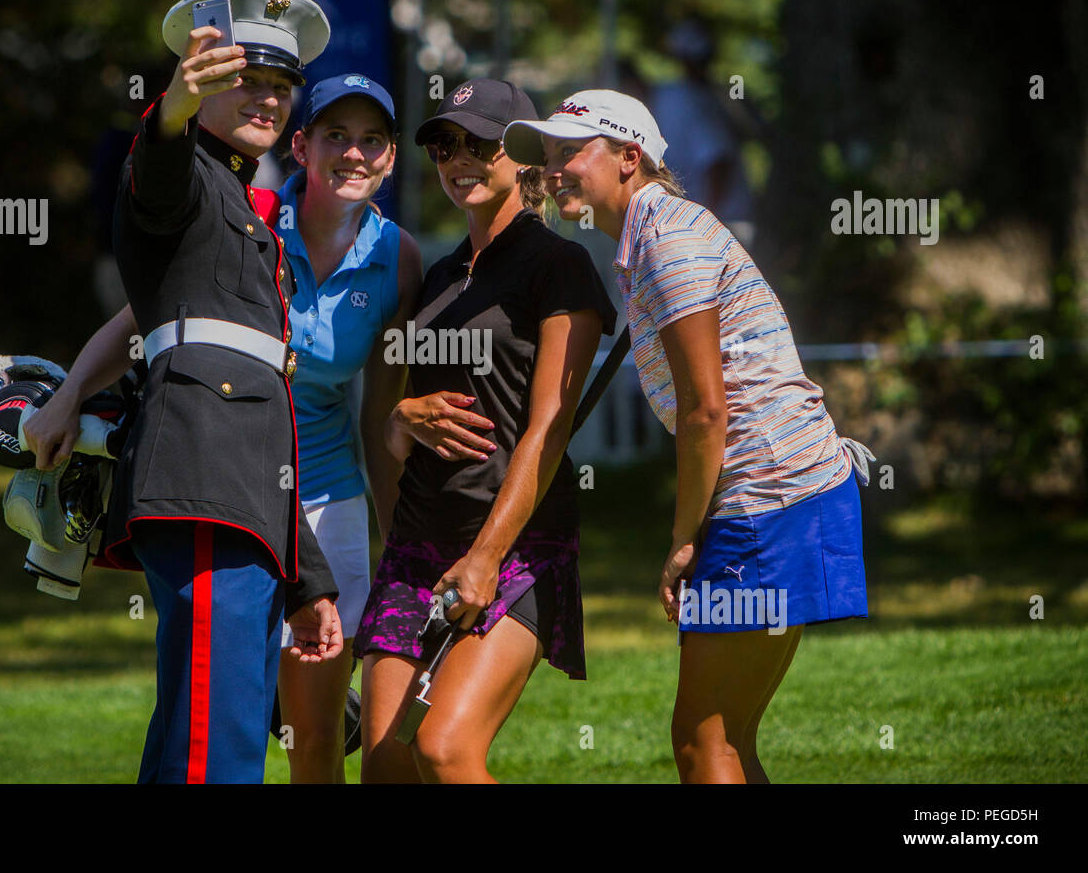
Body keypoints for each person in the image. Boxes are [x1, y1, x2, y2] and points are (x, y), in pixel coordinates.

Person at [21, 0, 343, 784]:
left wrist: (306, 576)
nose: (269, 98)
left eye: (282, 86)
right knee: (215, 749)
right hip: (201, 482)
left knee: (201, 732)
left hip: (239, 498)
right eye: (247, 79)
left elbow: (271, 422)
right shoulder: (182, 176)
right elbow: (157, 169)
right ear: (198, 87)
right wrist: (173, 105)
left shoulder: (246, 209)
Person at [504, 89, 874, 783]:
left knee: (704, 743)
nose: (553, 172)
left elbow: (706, 412)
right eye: (548, 158)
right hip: (792, 492)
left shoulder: (667, 238)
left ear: (629, 157)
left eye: (570, 153)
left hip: (765, 501)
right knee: (726, 738)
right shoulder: (656, 233)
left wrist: (683, 540)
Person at [354, 79, 617, 784]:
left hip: (513, 546)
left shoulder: (560, 266)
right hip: (416, 544)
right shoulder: (437, 276)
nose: (457, 159)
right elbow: (399, 423)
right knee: (385, 769)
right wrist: (397, 421)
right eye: (445, 145)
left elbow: (548, 429)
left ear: (525, 157)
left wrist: (485, 556)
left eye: (479, 143)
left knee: (443, 749)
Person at [270, 73, 422, 782]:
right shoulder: (251, 223)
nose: (354, 154)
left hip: (329, 497)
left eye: (372, 140)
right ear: (301, 146)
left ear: (390, 159)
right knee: (221, 715)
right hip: (226, 484)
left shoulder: (400, 257)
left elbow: (380, 410)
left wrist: (398, 542)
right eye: (336, 136)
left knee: (317, 736)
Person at [650, 19, 758, 247]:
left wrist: (702, 224)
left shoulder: (689, 101)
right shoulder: (704, 95)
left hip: (722, 224)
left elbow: (718, 161)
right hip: (722, 221)